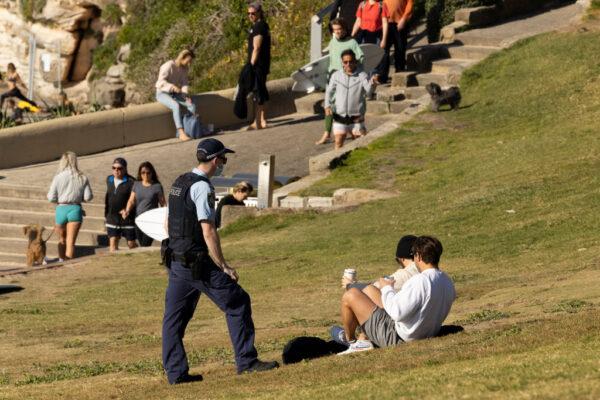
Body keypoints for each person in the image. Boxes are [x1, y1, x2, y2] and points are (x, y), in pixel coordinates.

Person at [162, 138, 278, 384]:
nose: (224, 163)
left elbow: (167, 222)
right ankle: (246, 361)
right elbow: (208, 230)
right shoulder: (202, 187)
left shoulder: (179, 182)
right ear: (215, 160)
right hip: (197, 264)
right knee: (237, 302)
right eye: (223, 159)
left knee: (174, 319)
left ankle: (176, 374)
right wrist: (223, 265)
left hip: (176, 260)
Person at [337, 235, 456, 354]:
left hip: (397, 337)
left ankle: (352, 342)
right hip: (423, 331)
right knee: (369, 290)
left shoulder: (421, 281)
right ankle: (362, 338)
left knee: (350, 295)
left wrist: (387, 288)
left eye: (414, 255)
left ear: (418, 256)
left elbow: (397, 313)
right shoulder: (447, 280)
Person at [331, 234, 418, 344]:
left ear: (402, 258)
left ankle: (350, 340)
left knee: (352, 294)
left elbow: (372, 290)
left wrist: (350, 285)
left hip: (397, 328)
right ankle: (361, 336)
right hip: (411, 323)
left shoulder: (403, 275)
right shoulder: (424, 273)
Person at [316, 18, 364, 146]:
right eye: (335, 30)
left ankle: (350, 131)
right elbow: (329, 59)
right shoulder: (333, 41)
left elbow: (361, 58)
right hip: (333, 77)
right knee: (329, 105)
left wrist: (355, 74)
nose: (337, 32)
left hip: (346, 80)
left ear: (344, 29)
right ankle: (326, 133)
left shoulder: (352, 42)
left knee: (342, 106)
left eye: (339, 29)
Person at [325, 49, 376, 149]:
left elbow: (369, 93)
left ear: (355, 61)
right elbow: (329, 91)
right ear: (342, 62)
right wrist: (327, 106)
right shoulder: (336, 76)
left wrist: (373, 85)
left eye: (351, 61)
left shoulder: (362, 75)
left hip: (356, 116)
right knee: (338, 142)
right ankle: (337, 163)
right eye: (345, 62)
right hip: (340, 115)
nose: (348, 64)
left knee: (360, 144)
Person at [47, 152, 93, 261]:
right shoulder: (82, 177)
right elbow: (88, 197)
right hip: (75, 209)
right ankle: (68, 265)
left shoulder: (58, 177)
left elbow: (50, 197)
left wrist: (60, 199)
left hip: (61, 208)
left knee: (61, 240)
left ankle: (61, 260)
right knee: (70, 242)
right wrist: (78, 198)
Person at [122, 162, 166, 247]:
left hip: (152, 221)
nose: (145, 175)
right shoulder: (136, 184)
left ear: (152, 173)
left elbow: (163, 203)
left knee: (146, 244)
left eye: (148, 172)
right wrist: (127, 210)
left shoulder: (157, 186)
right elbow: (131, 200)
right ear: (140, 173)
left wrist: (165, 218)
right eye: (143, 172)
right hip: (138, 219)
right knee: (142, 243)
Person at [156, 49, 196, 141]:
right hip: (162, 93)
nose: (189, 64)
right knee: (175, 106)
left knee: (191, 105)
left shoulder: (185, 68)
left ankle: (190, 129)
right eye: (188, 61)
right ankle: (181, 132)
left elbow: (185, 83)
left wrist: (185, 95)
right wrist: (172, 86)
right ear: (182, 57)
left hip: (175, 93)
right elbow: (160, 82)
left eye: (190, 62)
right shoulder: (168, 65)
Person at [246, 2, 271, 130]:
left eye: (253, 13)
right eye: (248, 13)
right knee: (262, 90)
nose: (250, 15)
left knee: (258, 92)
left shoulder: (259, 27)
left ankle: (257, 122)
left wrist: (250, 65)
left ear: (259, 13)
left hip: (258, 65)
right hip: (263, 63)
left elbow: (256, 47)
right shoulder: (262, 25)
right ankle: (262, 120)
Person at [104, 157, 137, 252]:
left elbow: (134, 200)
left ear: (125, 169)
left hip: (127, 218)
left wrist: (127, 210)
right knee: (113, 243)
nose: (116, 170)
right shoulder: (109, 179)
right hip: (112, 217)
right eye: (114, 168)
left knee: (131, 243)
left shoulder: (132, 182)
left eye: (119, 168)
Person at [379, 0, 414, 83]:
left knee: (400, 48)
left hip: (400, 22)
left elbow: (410, 4)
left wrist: (404, 19)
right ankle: (383, 76)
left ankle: (399, 75)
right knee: (384, 51)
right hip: (386, 23)